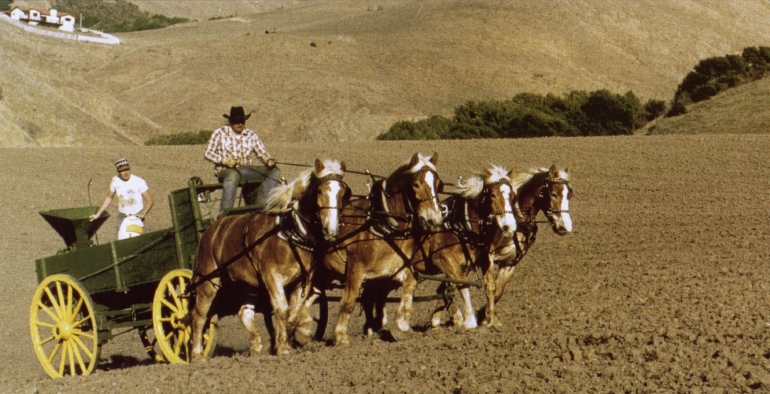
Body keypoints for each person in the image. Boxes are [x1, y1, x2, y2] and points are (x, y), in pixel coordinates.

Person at [204, 106, 281, 217]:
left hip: (246, 171)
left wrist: (268, 160)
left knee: (274, 171)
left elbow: (262, 152)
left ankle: (262, 208)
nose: (240, 124)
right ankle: (224, 215)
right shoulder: (219, 133)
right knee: (233, 175)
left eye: (242, 121)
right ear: (231, 122)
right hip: (226, 171)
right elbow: (207, 153)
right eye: (236, 121)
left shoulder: (251, 135)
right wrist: (224, 161)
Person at [89, 158, 154, 236]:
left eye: (127, 169)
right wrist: (98, 214)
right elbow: (109, 197)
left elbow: (150, 200)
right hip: (122, 216)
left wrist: (143, 213)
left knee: (143, 239)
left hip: (137, 215)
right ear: (118, 172)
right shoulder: (115, 181)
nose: (125, 173)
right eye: (122, 171)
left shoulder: (139, 181)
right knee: (121, 241)